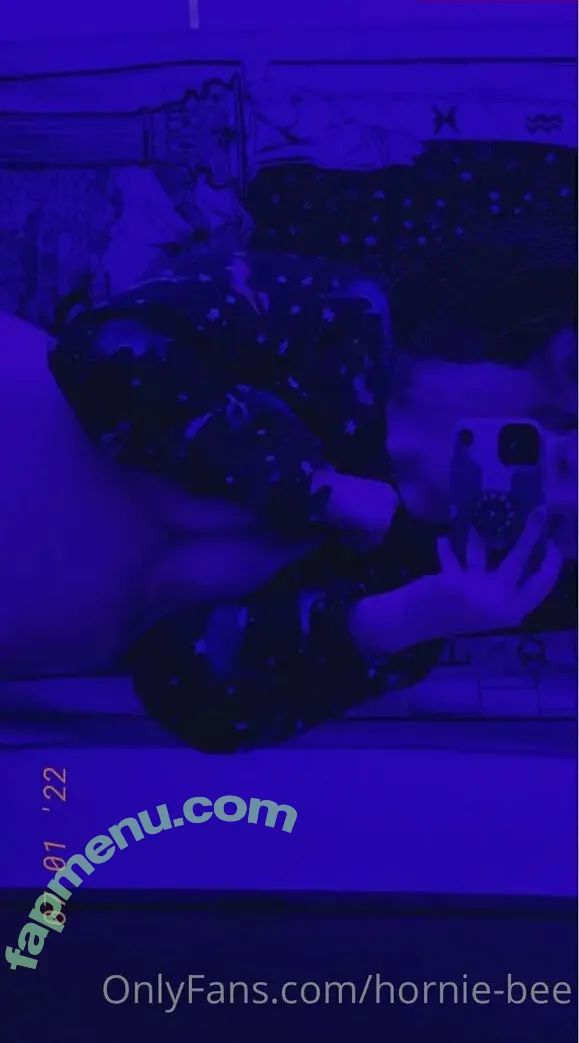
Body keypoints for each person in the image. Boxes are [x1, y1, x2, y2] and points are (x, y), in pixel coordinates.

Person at [38, 233, 575, 751]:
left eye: (561, 521)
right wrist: (314, 489)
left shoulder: (412, 601)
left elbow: (188, 697)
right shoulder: (347, 320)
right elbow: (107, 345)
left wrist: (387, 622)